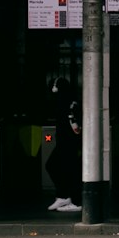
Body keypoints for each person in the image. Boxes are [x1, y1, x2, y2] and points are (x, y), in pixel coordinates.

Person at [45, 76, 82, 214]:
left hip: (67, 142)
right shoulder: (68, 102)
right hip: (66, 142)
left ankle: (69, 198)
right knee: (65, 169)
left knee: (54, 166)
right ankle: (65, 196)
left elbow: (74, 125)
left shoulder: (67, 103)